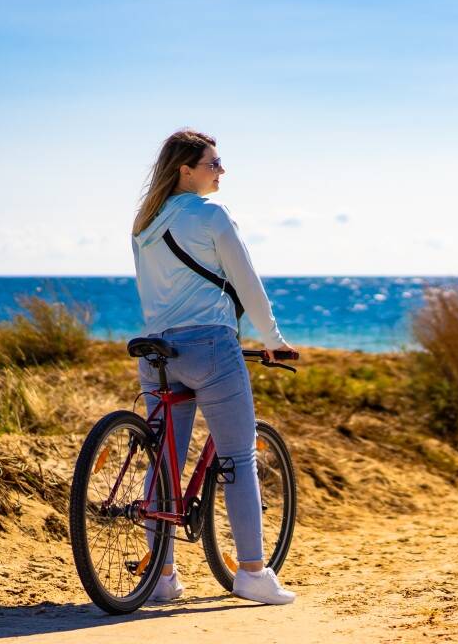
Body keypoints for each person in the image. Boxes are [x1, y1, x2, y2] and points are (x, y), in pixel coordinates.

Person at [131, 128, 297, 605]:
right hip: (209, 345)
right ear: (186, 169)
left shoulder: (144, 222)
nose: (222, 171)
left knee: (163, 461)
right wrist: (273, 341)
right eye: (214, 163)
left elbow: (150, 292)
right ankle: (251, 574)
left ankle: (160, 579)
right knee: (238, 458)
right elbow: (246, 281)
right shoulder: (211, 214)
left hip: (157, 349)